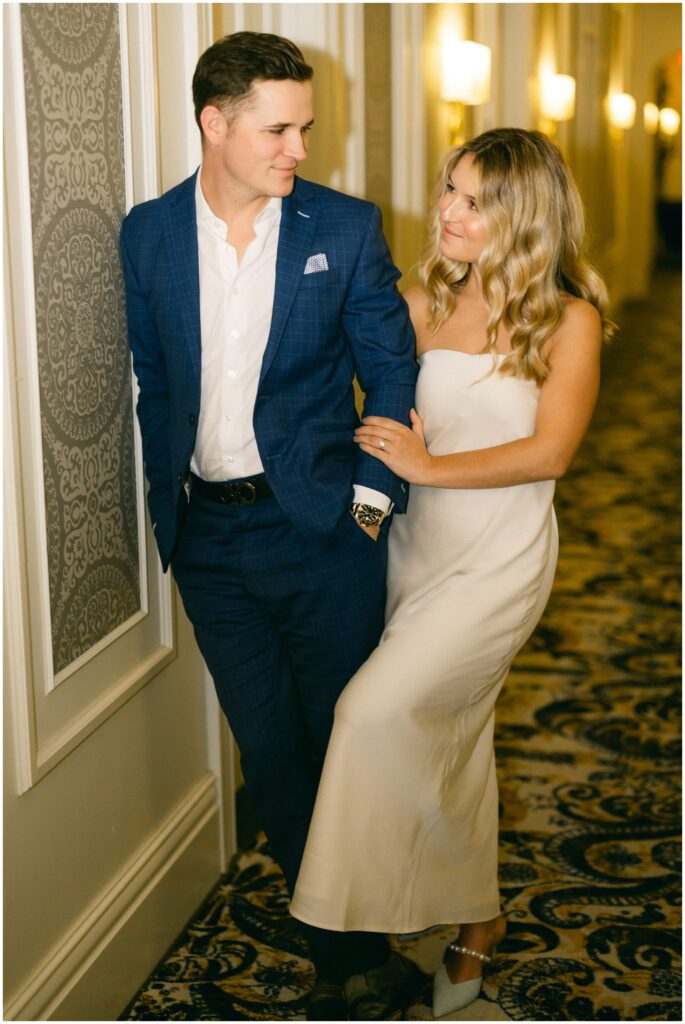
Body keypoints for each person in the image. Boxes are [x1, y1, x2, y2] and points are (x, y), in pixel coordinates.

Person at [120, 31, 422, 1021]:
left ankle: (361, 940)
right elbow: (156, 378)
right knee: (272, 749)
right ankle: (333, 943)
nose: (298, 147)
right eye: (278, 128)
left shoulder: (346, 226)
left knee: (347, 740)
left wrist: (369, 502)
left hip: (322, 533)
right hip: (210, 543)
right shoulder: (150, 233)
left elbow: (395, 370)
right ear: (217, 122)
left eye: (304, 127)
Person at [290, 127, 615, 1017]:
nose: (446, 212)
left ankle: (346, 918)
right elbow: (369, 417)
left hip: (498, 563)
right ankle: (476, 927)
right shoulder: (415, 302)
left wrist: (427, 465)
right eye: (448, 189)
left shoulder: (565, 316)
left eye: (473, 200)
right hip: (412, 551)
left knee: (371, 711)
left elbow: (550, 452)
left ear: (521, 216)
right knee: (457, 739)